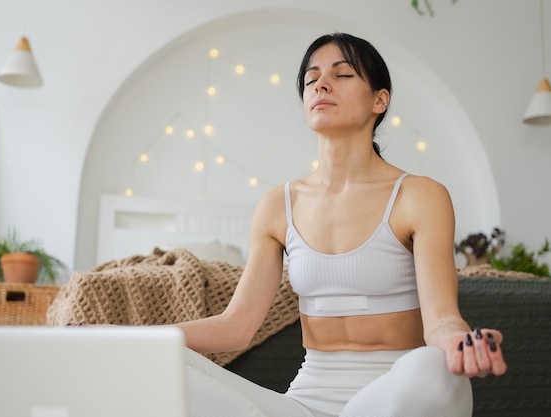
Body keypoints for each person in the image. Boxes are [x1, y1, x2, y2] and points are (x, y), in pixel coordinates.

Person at [177, 32, 507, 417]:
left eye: (343, 74)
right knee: (163, 365)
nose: (321, 83)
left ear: (379, 100)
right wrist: (123, 337)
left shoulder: (419, 195)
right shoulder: (278, 204)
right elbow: (236, 327)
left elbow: (442, 320)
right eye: (311, 78)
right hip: (305, 403)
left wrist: (460, 343)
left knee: (431, 365)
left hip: (400, 394)